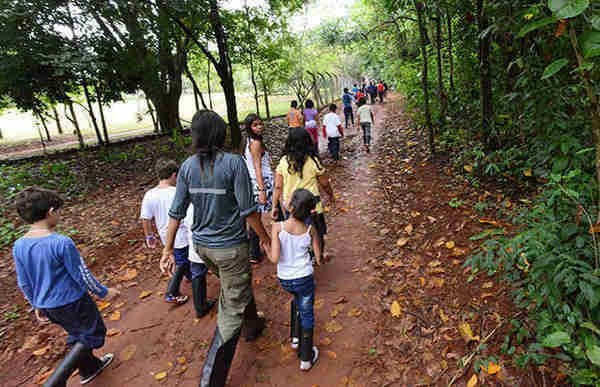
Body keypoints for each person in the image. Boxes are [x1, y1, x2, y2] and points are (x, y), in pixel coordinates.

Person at [161, 110, 270, 387]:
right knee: (231, 305)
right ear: (221, 134)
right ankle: (211, 379)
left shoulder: (186, 167)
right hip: (230, 248)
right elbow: (249, 211)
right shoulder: (234, 163)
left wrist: (167, 249)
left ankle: (252, 325)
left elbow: (176, 213)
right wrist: (266, 238)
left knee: (235, 285)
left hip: (202, 248)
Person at [13, 187, 119, 387]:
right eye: (58, 211)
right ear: (51, 212)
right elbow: (81, 275)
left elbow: (24, 281)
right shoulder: (61, 243)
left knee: (77, 333)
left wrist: (36, 304)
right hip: (73, 301)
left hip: (49, 306)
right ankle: (56, 381)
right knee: (93, 333)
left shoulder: (19, 245)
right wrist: (104, 292)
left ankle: (89, 368)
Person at [140, 158, 215, 315]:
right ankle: (172, 291)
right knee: (182, 261)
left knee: (182, 259)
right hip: (181, 233)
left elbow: (145, 218)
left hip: (165, 235)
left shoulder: (150, 195)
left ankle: (189, 276)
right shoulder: (177, 192)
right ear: (174, 175)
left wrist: (149, 236)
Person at [269, 189, 321, 371]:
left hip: (286, 279)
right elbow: (318, 258)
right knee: (306, 311)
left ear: (290, 206)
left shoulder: (277, 227)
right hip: (304, 277)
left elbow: (274, 258)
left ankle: (295, 339)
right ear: (310, 211)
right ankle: (306, 358)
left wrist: (267, 248)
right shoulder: (310, 230)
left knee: (296, 300)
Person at [272, 128, 335, 263]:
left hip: (292, 206)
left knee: (295, 232)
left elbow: (277, 186)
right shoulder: (313, 161)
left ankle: (301, 258)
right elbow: (324, 183)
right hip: (312, 206)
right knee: (317, 233)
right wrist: (331, 195)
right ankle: (318, 256)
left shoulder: (284, 161)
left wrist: (274, 206)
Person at [243, 113, 273, 264]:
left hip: (257, 181)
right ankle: (271, 246)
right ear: (249, 127)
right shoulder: (255, 143)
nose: (259, 127)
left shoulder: (251, 141)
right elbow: (257, 166)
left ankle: (254, 252)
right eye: (255, 125)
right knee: (275, 212)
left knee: (256, 217)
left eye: (260, 124)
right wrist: (262, 190)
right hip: (261, 182)